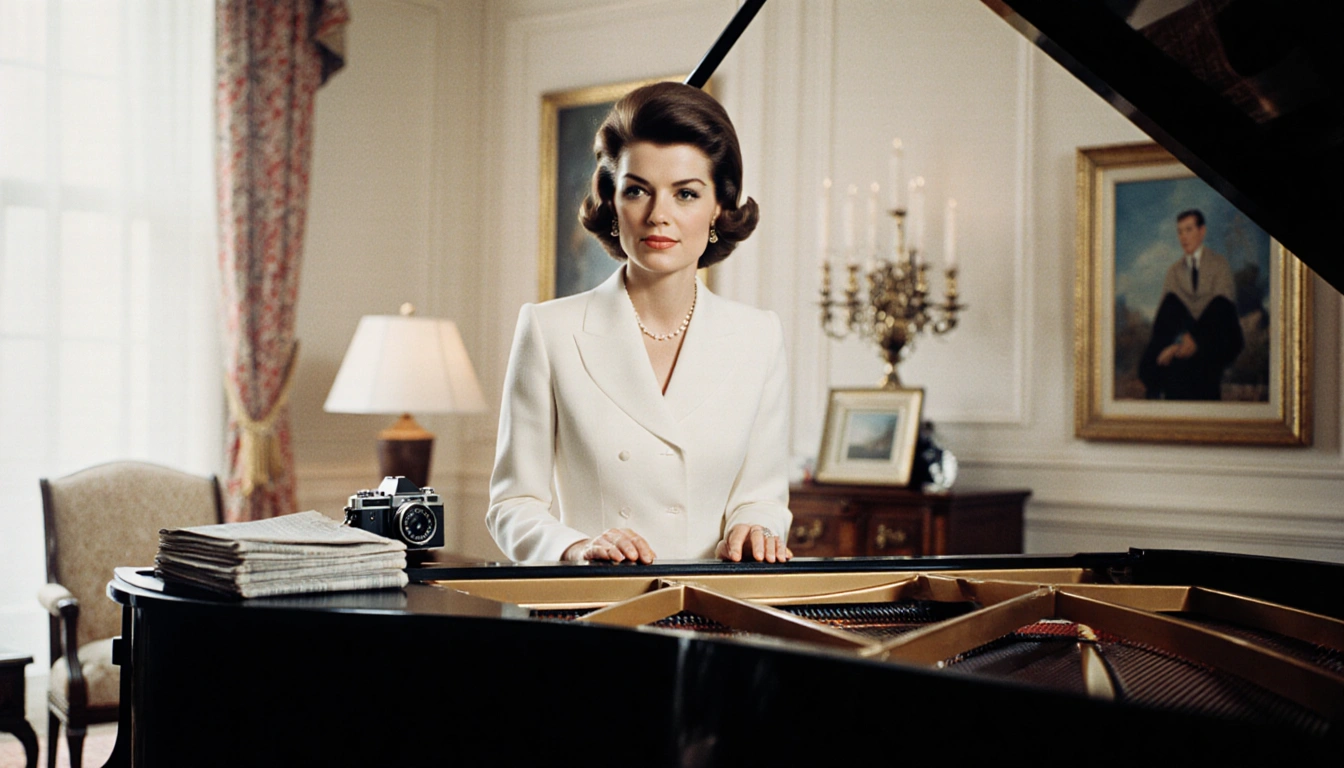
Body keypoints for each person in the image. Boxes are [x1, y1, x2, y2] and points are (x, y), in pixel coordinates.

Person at [487, 82, 793, 565]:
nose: (658, 216)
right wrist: (577, 548)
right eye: (637, 191)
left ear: (718, 206)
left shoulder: (759, 337)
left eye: (685, 194)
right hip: (596, 602)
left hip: (712, 601)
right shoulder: (549, 331)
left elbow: (762, 497)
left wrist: (754, 529)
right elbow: (512, 505)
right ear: (612, 202)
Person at [1138, 209, 1244, 400]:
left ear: (1202, 232)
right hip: (1183, 333)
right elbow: (1164, 319)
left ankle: (1161, 365)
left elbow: (1223, 314)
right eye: (1180, 232)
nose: (1183, 237)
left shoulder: (1219, 264)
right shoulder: (1173, 271)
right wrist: (1182, 340)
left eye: (1188, 230)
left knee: (1220, 304)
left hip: (1213, 337)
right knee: (1170, 303)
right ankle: (1152, 373)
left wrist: (1192, 339)